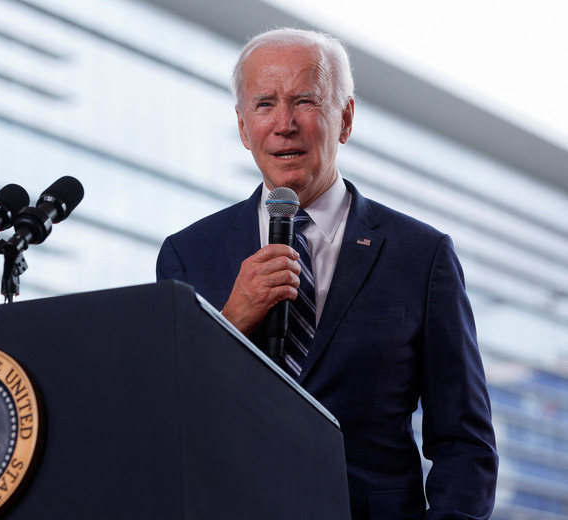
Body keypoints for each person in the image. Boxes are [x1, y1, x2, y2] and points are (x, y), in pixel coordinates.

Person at [156, 28, 498, 519]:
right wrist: (230, 323)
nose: (284, 124)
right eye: (265, 104)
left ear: (346, 118)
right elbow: (168, 425)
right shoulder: (188, 254)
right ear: (242, 126)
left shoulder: (421, 256)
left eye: (305, 101)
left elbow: (465, 443)